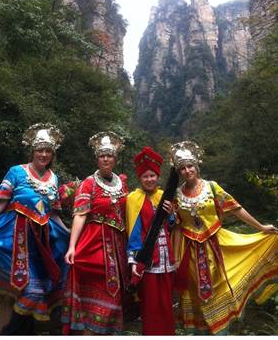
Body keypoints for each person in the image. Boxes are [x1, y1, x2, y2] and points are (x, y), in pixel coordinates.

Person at [170, 140, 278, 335]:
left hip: (218, 246)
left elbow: (236, 209)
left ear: (197, 167)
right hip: (190, 254)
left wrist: (260, 227)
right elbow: (178, 227)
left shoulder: (212, 187)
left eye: (190, 166)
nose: (187, 171)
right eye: (182, 169)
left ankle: (221, 333)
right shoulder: (176, 196)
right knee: (194, 294)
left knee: (219, 290)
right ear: (179, 173)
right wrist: (176, 258)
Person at [0, 123, 70, 335]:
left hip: (43, 243)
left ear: (52, 153)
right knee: (13, 291)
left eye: (47, 151)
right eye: (39, 150)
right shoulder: (16, 172)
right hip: (15, 237)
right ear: (32, 151)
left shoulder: (54, 178)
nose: (43, 154)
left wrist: (70, 234)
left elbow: (53, 213)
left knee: (36, 291)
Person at [62, 131, 129, 335]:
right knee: (95, 296)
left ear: (115, 159)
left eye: (109, 155)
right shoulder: (88, 183)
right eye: (102, 155)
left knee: (115, 294)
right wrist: (72, 246)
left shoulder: (122, 184)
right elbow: (80, 215)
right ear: (97, 158)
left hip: (118, 247)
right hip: (94, 244)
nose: (106, 159)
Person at [126, 146, 176, 335]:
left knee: (167, 303)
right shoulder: (133, 199)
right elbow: (134, 231)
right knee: (151, 304)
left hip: (167, 258)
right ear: (140, 178)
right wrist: (133, 261)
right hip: (147, 260)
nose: (149, 180)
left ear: (157, 177)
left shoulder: (164, 196)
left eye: (152, 176)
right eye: (145, 176)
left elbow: (171, 226)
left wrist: (171, 214)